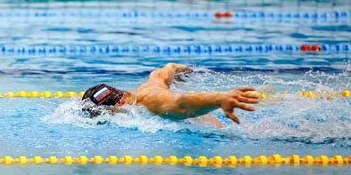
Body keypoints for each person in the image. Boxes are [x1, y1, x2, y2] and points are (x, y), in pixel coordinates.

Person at [82, 63, 260, 127]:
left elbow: (182, 104)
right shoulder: (151, 83)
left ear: (119, 104)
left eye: (108, 113)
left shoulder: (149, 102)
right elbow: (170, 67)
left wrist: (219, 99)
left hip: (226, 135)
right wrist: (186, 71)